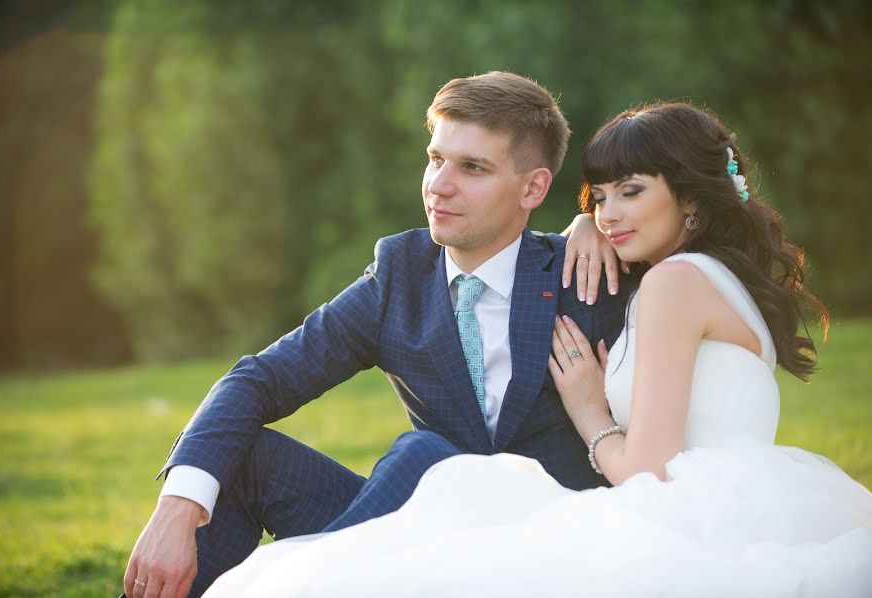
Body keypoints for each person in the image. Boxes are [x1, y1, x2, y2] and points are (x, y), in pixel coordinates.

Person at [203, 102, 872, 597]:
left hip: (668, 517)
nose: (609, 214)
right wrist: (583, 223)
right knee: (429, 482)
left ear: (692, 203)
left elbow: (646, 474)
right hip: (745, 502)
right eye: (601, 196)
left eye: (632, 193)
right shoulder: (712, 280)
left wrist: (590, 411)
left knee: (426, 522)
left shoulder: (670, 284)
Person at [122, 71, 630, 598]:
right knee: (247, 460)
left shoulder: (588, 274)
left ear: (534, 187)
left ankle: (303, 586)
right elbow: (260, 379)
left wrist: (595, 219)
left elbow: (701, 254)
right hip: (422, 546)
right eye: (435, 159)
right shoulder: (400, 275)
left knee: (423, 455)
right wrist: (178, 506)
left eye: (472, 167)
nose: (439, 185)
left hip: (546, 553)